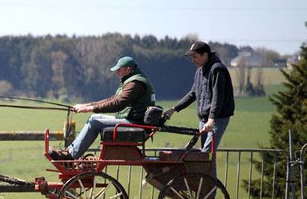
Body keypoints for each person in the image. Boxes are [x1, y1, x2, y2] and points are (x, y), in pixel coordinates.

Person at [49, 56, 155, 160]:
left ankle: (70, 156)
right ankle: (69, 152)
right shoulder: (131, 81)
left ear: (128, 69)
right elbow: (112, 99)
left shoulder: (135, 83)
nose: (117, 72)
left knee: (95, 122)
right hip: (133, 120)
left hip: (135, 123)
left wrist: (89, 108)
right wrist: (87, 105)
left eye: (119, 69)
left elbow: (118, 104)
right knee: (95, 117)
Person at [163, 41, 235, 170]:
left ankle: (206, 187)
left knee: (205, 155)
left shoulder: (217, 70)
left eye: (195, 56)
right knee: (206, 158)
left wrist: (212, 119)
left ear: (205, 55)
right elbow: (192, 94)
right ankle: (207, 188)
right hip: (204, 120)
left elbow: (218, 97)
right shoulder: (199, 72)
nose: (193, 60)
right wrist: (174, 109)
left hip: (217, 120)